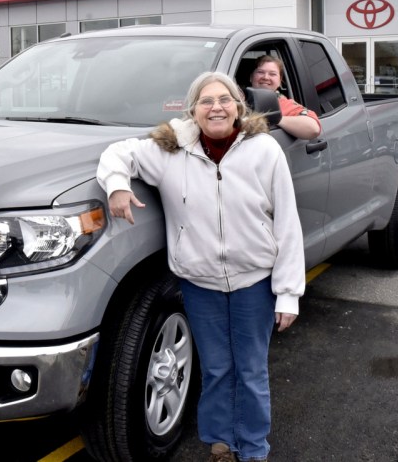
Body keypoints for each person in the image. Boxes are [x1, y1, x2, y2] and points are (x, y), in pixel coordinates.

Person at [97, 71, 305, 462]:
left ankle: (254, 449)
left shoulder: (264, 149)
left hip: (254, 282)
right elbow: (116, 153)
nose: (216, 107)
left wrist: (289, 293)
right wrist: (118, 186)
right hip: (199, 284)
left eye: (224, 99)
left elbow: (287, 223)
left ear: (238, 106)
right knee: (216, 369)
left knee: (252, 372)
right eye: (206, 101)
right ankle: (220, 443)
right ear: (193, 110)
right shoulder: (169, 151)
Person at [249, 55, 321, 140]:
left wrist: (276, 118)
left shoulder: (283, 104)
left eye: (272, 74)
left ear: (280, 81)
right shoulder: (236, 99)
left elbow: (313, 129)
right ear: (251, 77)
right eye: (260, 72)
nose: (265, 77)